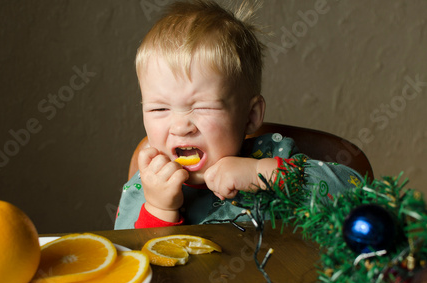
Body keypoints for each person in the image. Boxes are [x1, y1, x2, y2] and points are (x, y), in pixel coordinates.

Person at [114, 0, 363, 230]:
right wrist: (159, 209)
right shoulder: (143, 187)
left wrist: (263, 175)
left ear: (250, 115)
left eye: (203, 107)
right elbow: (129, 266)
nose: (180, 127)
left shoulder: (273, 157)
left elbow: (360, 197)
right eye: (159, 109)